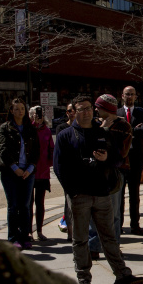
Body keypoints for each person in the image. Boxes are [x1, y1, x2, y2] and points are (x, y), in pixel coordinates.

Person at [53, 95, 143, 284]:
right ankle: (84, 279)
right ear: (74, 112)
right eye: (81, 109)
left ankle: (122, 274)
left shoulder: (103, 133)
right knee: (80, 240)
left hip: (102, 193)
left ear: (93, 110)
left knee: (109, 236)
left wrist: (106, 159)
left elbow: (118, 160)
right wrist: (72, 192)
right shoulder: (65, 135)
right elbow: (59, 167)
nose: (85, 112)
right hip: (79, 196)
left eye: (88, 108)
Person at [89, 94, 130, 257]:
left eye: (98, 107)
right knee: (94, 212)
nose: (96, 109)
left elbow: (123, 153)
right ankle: (94, 246)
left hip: (113, 173)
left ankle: (113, 246)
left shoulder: (123, 126)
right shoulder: (93, 124)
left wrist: (107, 157)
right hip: (94, 172)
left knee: (113, 213)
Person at [0, 98, 39, 249]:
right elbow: (3, 149)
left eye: (22, 108)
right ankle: (13, 237)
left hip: (28, 172)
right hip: (10, 172)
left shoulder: (31, 128)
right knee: (13, 205)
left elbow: (36, 151)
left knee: (25, 206)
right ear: (11, 111)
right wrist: (15, 168)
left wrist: (29, 169)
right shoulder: (5, 128)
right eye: (16, 108)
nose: (20, 111)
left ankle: (25, 236)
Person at [119, 86, 143, 235]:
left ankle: (135, 225)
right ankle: (118, 225)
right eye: (127, 94)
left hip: (136, 159)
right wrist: (132, 129)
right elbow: (116, 133)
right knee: (119, 195)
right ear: (122, 96)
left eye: (132, 94)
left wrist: (127, 129)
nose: (129, 97)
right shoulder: (117, 113)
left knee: (134, 195)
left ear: (136, 97)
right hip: (120, 160)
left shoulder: (142, 113)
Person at [29, 105, 55, 242]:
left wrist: (49, 163)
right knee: (29, 202)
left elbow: (52, 148)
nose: (37, 117)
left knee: (40, 202)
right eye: (34, 114)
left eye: (39, 114)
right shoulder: (29, 129)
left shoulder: (46, 131)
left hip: (43, 172)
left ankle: (39, 230)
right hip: (29, 171)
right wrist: (33, 123)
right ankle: (29, 231)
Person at [55, 102, 77, 241]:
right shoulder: (62, 128)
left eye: (74, 110)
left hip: (81, 170)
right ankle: (70, 233)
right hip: (68, 170)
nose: (72, 113)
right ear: (66, 113)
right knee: (68, 203)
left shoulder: (84, 127)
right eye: (69, 111)